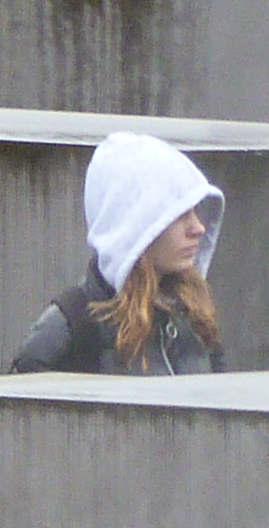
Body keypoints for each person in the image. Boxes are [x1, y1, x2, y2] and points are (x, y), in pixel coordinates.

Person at [11, 132, 227, 376]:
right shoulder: (73, 322)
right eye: (179, 215)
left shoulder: (193, 315)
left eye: (195, 211)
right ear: (135, 226)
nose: (198, 228)